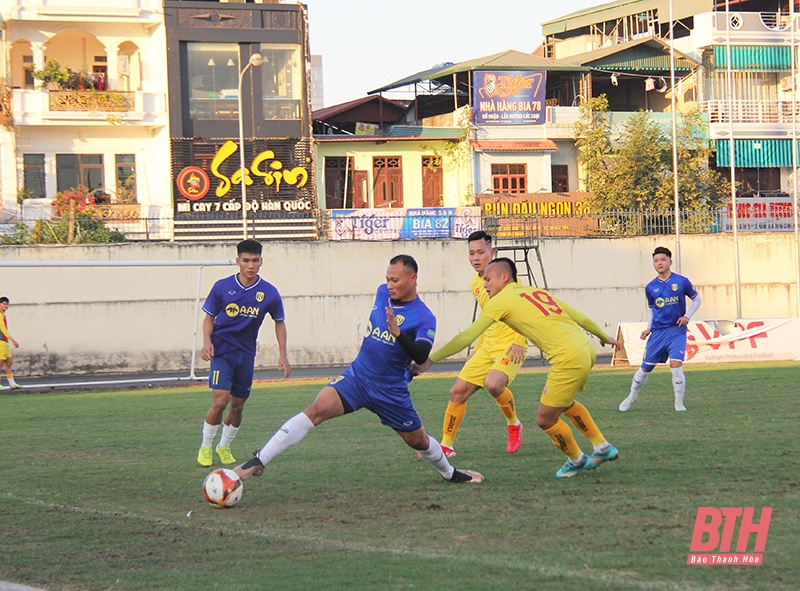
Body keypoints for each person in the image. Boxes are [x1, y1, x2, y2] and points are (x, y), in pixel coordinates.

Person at [234, 255, 483, 485]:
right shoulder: (381, 294)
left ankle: (449, 473)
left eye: (395, 280)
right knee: (316, 410)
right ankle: (259, 460)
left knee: (417, 440)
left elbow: (420, 355)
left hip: (390, 391)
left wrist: (398, 334)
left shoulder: (424, 317)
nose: (389, 284)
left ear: (413, 279)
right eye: (387, 279)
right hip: (357, 377)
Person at [413, 258, 621, 479]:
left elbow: (466, 336)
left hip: (567, 358)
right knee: (565, 404)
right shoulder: (535, 292)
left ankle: (576, 460)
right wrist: (602, 335)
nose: (485, 285)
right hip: (584, 349)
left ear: (505, 277)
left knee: (545, 420)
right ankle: (602, 447)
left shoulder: (501, 300)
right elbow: (579, 316)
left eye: (489, 279)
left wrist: (431, 360)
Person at [197, 239, 292, 468]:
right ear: (238, 261)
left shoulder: (269, 293)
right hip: (222, 351)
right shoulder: (222, 287)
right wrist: (206, 341)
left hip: (246, 354)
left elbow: (279, 322)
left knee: (238, 405)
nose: (251, 265)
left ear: (261, 262)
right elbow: (209, 317)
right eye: (246, 260)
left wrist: (283, 354)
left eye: (255, 260)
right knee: (220, 401)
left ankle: (224, 446)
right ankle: (206, 447)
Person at [437, 231, 526, 458]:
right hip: (487, 345)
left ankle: (514, 424)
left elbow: (525, 311)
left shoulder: (506, 278)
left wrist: (519, 341)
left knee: (494, 384)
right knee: (457, 392)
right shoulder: (476, 284)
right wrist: (477, 347)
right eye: (471, 253)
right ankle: (446, 446)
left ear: (491, 252)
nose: (476, 258)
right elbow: (486, 317)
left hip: (510, 343)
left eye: (480, 252)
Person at [619, 246, 701, 413]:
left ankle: (679, 402)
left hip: (676, 330)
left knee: (676, 364)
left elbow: (697, 300)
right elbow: (652, 309)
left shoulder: (681, 281)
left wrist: (687, 316)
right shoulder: (650, 287)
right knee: (646, 367)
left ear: (670, 262)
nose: (659, 263)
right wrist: (648, 327)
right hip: (658, 332)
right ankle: (632, 396)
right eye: (656, 261)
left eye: (663, 260)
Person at [0, 297, 21, 390]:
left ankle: (12, 383)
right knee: (0, 363)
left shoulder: (3, 315)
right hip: (1, 342)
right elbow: (3, 329)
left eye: (7, 304)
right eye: (4, 304)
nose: (6, 306)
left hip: (4, 342)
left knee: (9, 362)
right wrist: (12, 340)